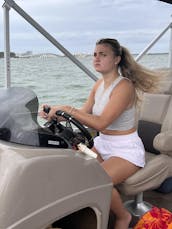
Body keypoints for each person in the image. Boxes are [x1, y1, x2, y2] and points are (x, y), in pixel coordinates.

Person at [40, 38, 160, 229]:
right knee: (73, 170)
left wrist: (68, 108)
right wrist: (56, 113)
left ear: (117, 59)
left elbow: (102, 123)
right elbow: (84, 113)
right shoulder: (98, 85)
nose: (96, 58)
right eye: (95, 54)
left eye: (103, 54)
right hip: (102, 143)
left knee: (98, 179)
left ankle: (123, 217)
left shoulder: (124, 87)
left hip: (125, 148)